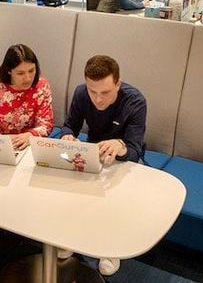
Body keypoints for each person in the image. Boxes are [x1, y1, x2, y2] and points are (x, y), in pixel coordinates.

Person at [58, 54, 147, 276]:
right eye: (93, 91)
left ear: (118, 83)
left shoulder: (135, 101)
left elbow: (135, 151)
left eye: (105, 92)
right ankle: (73, 237)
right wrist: (68, 137)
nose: (98, 99)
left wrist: (120, 146)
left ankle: (111, 247)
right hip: (94, 153)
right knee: (71, 186)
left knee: (118, 194)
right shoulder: (80, 93)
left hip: (125, 158)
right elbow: (69, 126)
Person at [0, 44, 54, 150]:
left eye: (31, 71)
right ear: (9, 71)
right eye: (20, 73)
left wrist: (31, 135)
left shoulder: (41, 86)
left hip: (27, 143)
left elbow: (46, 123)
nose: (28, 78)